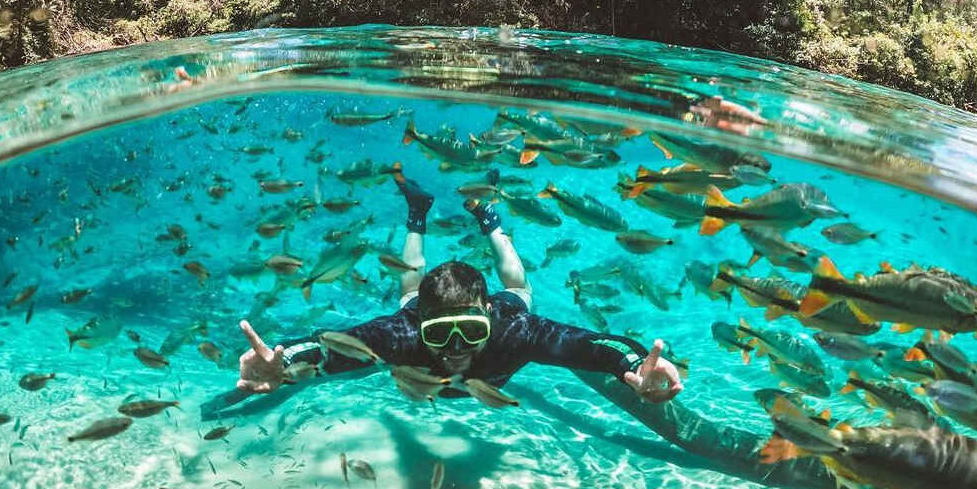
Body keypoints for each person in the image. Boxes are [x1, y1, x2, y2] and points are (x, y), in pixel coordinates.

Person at [234, 169, 683, 406]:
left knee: (517, 284)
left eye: (469, 330)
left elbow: (592, 345)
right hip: (418, 307)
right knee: (409, 288)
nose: (453, 347)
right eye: (439, 333)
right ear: (422, 326)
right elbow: (333, 347)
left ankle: (490, 221)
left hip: (498, 304)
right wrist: (285, 360)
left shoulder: (513, 328)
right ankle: (418, 212)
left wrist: (634, 362)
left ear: (487, 316)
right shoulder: (405, 332)